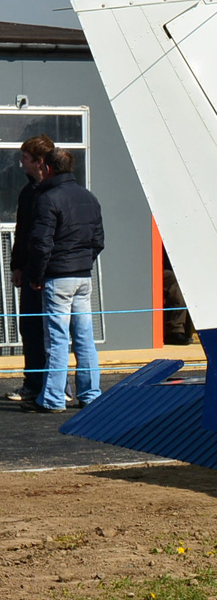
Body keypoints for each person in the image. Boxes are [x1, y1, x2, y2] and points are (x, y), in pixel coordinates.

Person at [26, 146, 104, 414]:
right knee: (85, 338)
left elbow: (40, 243)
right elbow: (98, 241)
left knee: (57, 339)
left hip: (57, 277)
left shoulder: (48, 199)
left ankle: (53, 398)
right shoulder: (89, 198)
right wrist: (83, 262)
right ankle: (91, 394)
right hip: (83, 276)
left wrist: (35, 275)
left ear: (47, 168)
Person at [6, 135, 56, 405]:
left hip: (52, 272)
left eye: (24, 158)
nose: (21, 164)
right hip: (29, 272)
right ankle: (34, 382)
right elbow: (22, 231)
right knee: (30, 328)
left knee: (54, 331)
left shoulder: (55, 192)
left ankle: (57, 385)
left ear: (38, 161)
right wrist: (16, 265)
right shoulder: (28, 193)